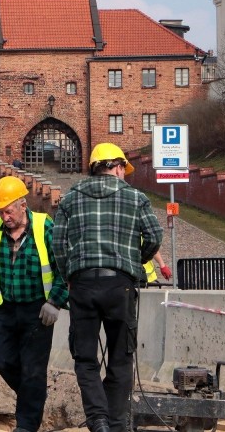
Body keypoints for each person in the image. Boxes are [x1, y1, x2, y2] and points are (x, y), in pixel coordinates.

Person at [52, 143, 163, 432]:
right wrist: (132, 262)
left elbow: (58, 246)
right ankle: (115, 425)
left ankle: (98, 420)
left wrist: (70, 275)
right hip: (120, 286)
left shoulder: (69, 199)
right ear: (115, 167)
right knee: (121, 358)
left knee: (85, 359)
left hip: (83, 284)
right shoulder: (136, 197)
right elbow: (154, 237)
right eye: (123, 170)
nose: (124, 175)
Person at [0, 176, 68, 432]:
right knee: (1, 361)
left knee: (34, 371)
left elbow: (65, 270)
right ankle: (33, 397)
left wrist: (55, 302)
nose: (4, 216)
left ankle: (26, 426)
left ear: (23, 205)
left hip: (38, 312)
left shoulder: (46, 228)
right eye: (0, 211)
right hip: (7, 311)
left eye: (8, 210)